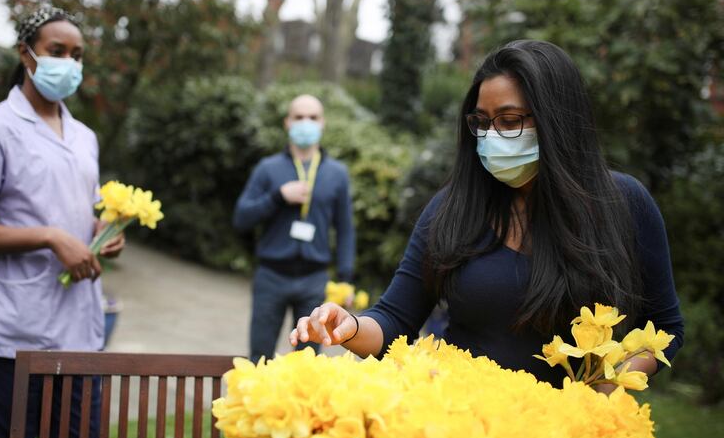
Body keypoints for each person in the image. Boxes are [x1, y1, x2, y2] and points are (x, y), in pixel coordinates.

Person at [290, 40, 684, 389]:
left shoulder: (623, 204)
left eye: (510, 121)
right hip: (464, 432)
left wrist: (610, 382)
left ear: (555, 120)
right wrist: (350, 326)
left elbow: (666, 327)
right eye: (481, 122)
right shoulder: (452, 208)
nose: (491, 135)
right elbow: (395, 318)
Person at [0, 7, 124, 438]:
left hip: (77, 329)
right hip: (10, 332)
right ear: (26, 54)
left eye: (78, 55)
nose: (69, 63)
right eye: (57, 51)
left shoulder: (85, 138)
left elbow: (73, 211)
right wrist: (50, 237)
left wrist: (101, 233)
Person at [234, 94, 356, 363]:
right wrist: (278, 197)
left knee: (308, 363)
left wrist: (346, 278)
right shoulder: (268, 169)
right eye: (299, 117)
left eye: (312, 117)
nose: (305, 123)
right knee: (259, 359)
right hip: (271, 276)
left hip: (314, 281)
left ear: (323, 123)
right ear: (287, 122)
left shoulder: (337, 174)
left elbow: (345, 229)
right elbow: (241, 218)